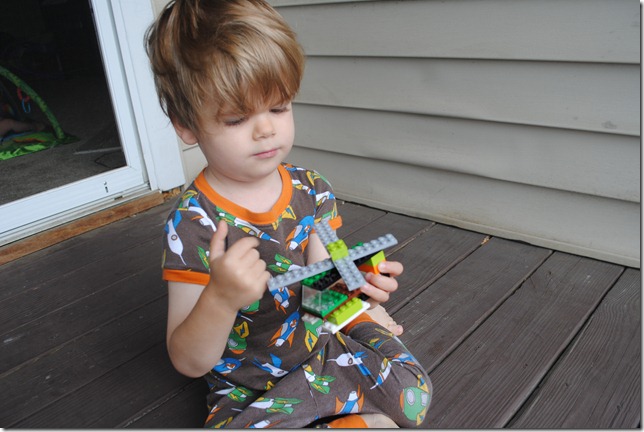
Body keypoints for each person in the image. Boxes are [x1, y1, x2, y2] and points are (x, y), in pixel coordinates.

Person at [146, 0, 431, 427]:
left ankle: (341, 386)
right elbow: (188, 361)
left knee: (413, 392)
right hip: (246, 389)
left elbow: (323, 293)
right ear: (185, 125)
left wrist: (358, 285)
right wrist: (220, 298)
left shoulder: (312, 190)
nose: (266, 129)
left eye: (278, 107)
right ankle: (352, 415)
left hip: (324, 351)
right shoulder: (193, 223)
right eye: (237, 118)